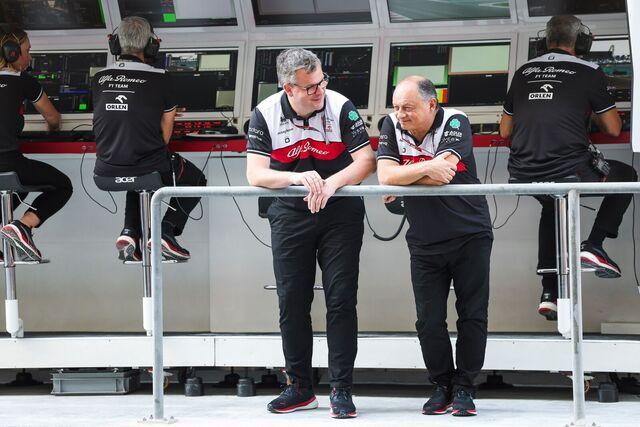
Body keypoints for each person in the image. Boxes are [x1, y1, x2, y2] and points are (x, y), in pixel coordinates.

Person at [246, 48, 375, 418]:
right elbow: (255, 174)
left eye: (322, 82)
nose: (320, 91)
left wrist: (331, 184)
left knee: (341, 300)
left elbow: (366, 160)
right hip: (290, 213)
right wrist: (296, 178)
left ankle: (341, 390)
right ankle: (299, 387)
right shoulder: (265, 112)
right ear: (289, 89)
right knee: (292, 300)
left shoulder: (341, 106)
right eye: (310, 87)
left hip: (340, 212)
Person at [500, 15, 637, 320]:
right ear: (581, 42)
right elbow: (613, 128)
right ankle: (594, 245)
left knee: (552, 204)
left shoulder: (523, 72)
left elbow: (505, 130)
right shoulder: (589, 71)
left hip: (522, 173)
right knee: (626, 176)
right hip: (569, 171)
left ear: (544, 40)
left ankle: (549, 292)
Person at [377, 76, 492, 417]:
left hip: (470, 234)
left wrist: (405, 175)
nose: (401, 114)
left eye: (408, 108)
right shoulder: (391, 124)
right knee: (428, 320)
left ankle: (465, 387)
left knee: (472, 315)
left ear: (431, 104)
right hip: (424, 241)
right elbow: (384, 177)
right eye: (397, 107)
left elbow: (446, 174)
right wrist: (424, 168)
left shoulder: (456, 120)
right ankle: (442, 385)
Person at [92, 16, 206, 262]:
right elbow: (165, 134)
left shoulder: (99, 78)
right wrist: (162, 114)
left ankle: (130, 233)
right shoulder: (161, 77)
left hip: (104, 170)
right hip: (147, 165)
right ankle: (165, 232)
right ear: (152, 45)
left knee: (138, 175)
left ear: (115, 44)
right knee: (195, 179)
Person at [0, 26, 73, 261]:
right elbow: (53, 118)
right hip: (8, 163)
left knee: (16, 188)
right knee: (62, 185)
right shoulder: (24, 81)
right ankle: (23, 225)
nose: (30, 57)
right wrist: (53, 129)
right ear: (12, 53)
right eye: (27, 51)